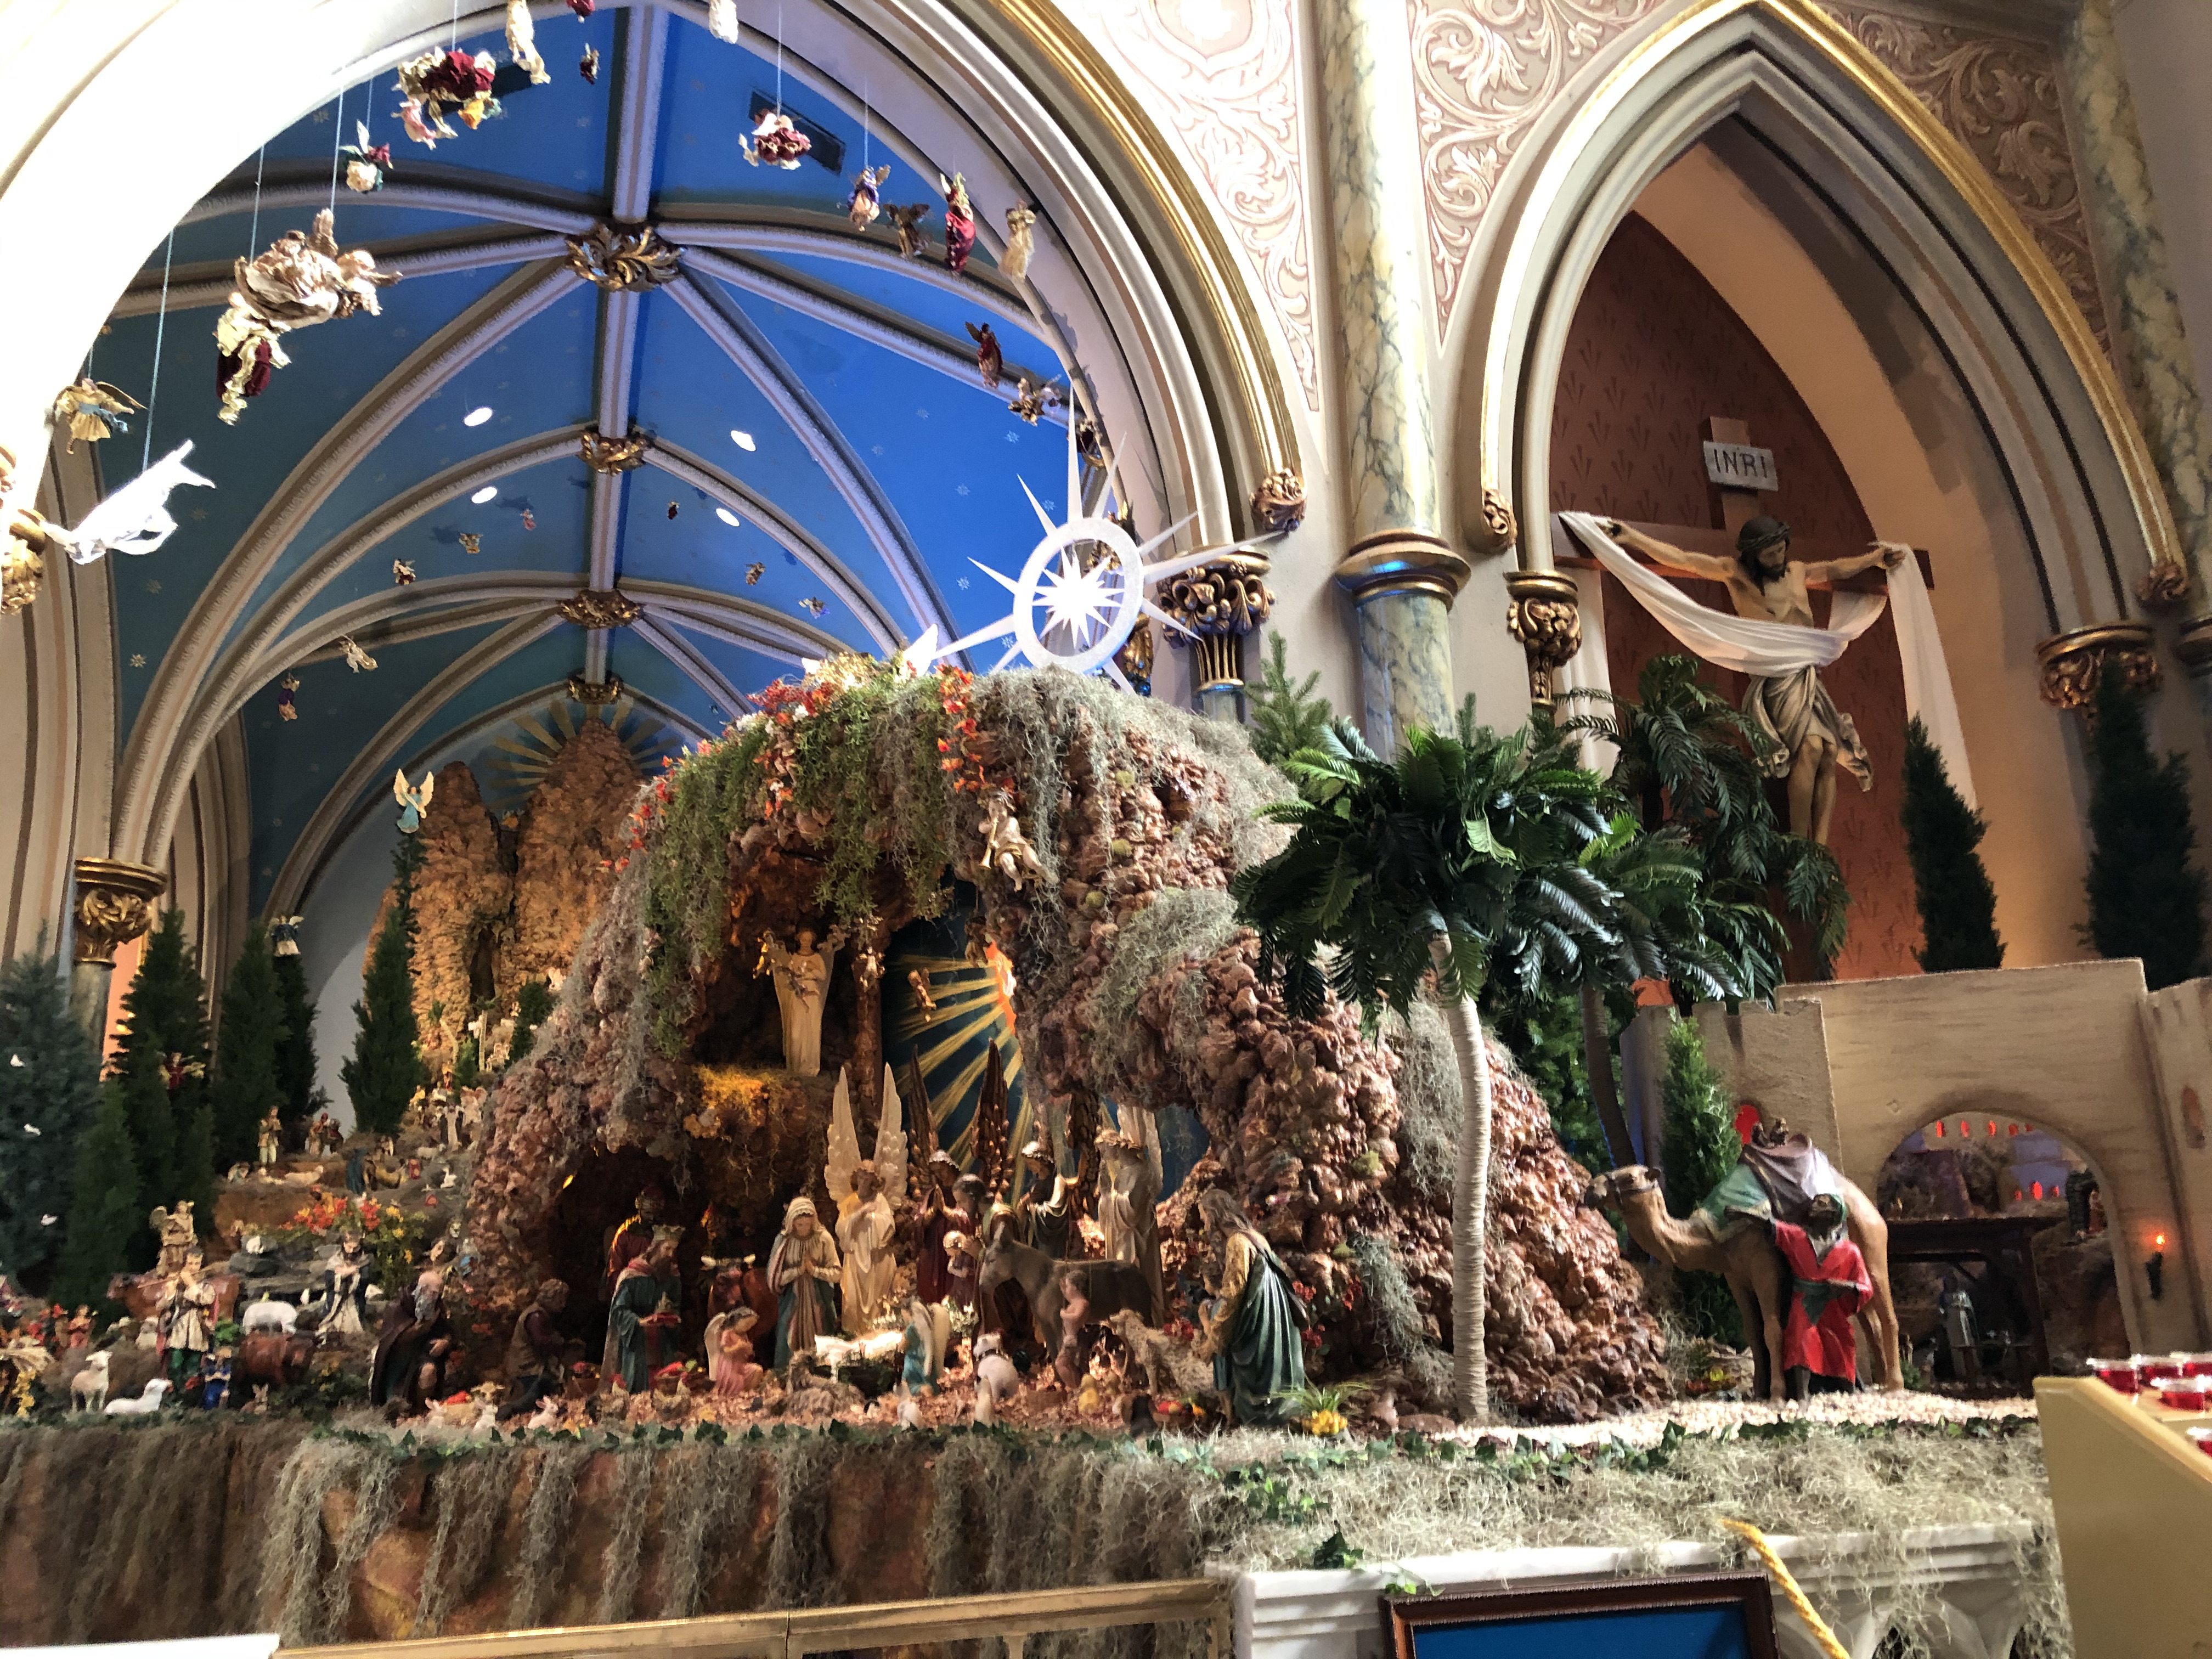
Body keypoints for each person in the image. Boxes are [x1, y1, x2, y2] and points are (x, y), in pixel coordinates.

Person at [1601, 516, 1906, 844]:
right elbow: (1684, 559)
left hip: (1808, 671)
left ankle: (1820, 847)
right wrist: (1632, 538)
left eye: (1780, 550)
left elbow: (1837, 569)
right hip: (1776, 674)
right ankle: (1798, 843)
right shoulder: (1736, 574)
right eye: (1768, 554)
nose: (1777, 558)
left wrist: (1873, 559)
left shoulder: (1798, 571)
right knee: (1811, 747)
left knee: (1830, 751)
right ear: (1752, 555)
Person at [1196, 1189, 1306, 1426]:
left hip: (1260, 1320)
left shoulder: (1237, 1242)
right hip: (1272, 1314)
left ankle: (1235, 1413)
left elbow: (1233, 1295)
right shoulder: (1255, 1237)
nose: (1204, 1224)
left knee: (1215, 1314)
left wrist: (1214, 1337)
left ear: (1214, 1215)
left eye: (1204, 1217)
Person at [1772, 1193, 1872, 1401]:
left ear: (1833, 1214)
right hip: (1805, 1303)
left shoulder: (1850, 1251)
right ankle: (1802, 1395)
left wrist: (1847, 1286)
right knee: (1801, 1338)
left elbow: (1865, 1287)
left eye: (1822, 1203)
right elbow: (1771, 1225)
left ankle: (1849, 1391)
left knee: (1842, 1344)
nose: (1814, 1205)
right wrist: (1744, 1212)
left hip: (1832, 1308)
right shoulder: (1798, 1237)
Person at [766, 1197, 842, 1369]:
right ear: (792, 1222)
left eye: (808, 1224)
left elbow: (837, 1273)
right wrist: (798, 1271)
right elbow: (774, 1278)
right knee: (790, 1336)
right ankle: (789, 1371)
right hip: (793, 1301)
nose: (804, 1228)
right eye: (800, 1225)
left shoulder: (823, 1239)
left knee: (821, 1334)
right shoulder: (784, 1241)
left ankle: (820, 1370)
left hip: (818, 1298)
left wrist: (815, 1271)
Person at [371, 1262, 455, 1417]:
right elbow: (394, 1338)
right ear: (423, 1290)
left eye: (439, 1294)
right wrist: (422, 1328)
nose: (437, 1297)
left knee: (429, 1372)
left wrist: (445, 1342)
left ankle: (422, 1410)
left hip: (423, 1354)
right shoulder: (398, 1306)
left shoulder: (436, 1306)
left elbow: (447, 1330)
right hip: (399, 1359)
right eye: (434, 1293)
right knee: (396, 1402)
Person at [603, 1231, 682, 1393]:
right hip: (638, 1341)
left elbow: (675, 1304)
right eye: (667, 1249)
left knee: (663, 1385)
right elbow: (619, 1309)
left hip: (661, 1342)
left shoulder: (670, 1276)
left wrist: (670, 1316)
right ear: (655, 1248)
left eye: (674, 1250)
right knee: (639, 1386)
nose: (671, 1255)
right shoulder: (632, 1276)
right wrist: (638, 1322)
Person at [836, 1161, 898, 1330]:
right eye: (861, 1177)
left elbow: (889, 1225)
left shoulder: (880, 1200)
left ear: (873, 1180)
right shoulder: (850, 1202)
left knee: (877, 1299)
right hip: (855, 1259)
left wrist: (872, 1218)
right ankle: (854, 1335)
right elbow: (841, 1228)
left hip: (876, 1260)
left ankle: (876, 1333)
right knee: (852, 1300)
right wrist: (860, 1213)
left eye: (867, 1178)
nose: (863, 1182)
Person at [498, 1279, 569, 1420]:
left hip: (534, 1365)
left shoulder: (541, 1314)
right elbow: (541, 1342)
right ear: (550, 1298)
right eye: (560, 1300)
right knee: (532, 1399)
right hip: (529, 1367)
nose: (563, 1305)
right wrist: (558, 1344)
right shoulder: (536, 1316)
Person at [158, 1252, 216, 1387]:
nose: (193, 1267)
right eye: (190, 1263)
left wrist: (191, 1284)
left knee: (192, 1369)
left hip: (198, 1335)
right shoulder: (177, 1283)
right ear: (184, 1264)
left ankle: (188, 1395)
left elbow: (205, 1300)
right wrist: (170, 1291)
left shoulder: (207, 1286)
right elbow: (161, 1306)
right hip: (178, 1333)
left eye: (197, 1264)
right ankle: (173, 1394)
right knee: (174, 1367)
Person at [1013, 1139, 1073, 1260]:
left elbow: (1055, 1213)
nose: (1029, 1168)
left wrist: (1032, 1207)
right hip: (1036, 1239)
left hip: (1051, 1242)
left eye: (1031, 1164)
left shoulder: (1058, 1182)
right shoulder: (1037, 1182)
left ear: (1041, 1162)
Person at [915, 1151, 960, 1304]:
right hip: (934, 1245)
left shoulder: (960, 1191)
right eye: (935, 1172)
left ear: (950, 1166)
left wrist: (945, 1210)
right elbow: (920, 1221)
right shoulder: (933, 1194)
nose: (939, 1175)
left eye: (941, 1170)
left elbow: (966, 1217)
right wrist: (934, 1209)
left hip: (955, 1246)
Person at [319, 1232, 373, 1337]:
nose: (352, 1251)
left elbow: (364, 1283)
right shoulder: (334, 1261)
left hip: (353, 1302)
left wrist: (356, 1275)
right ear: (344, 1244)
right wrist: (343, 1275)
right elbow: (329, 1283)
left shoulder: (364, 1262)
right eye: (349, 1247)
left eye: (355, 1248)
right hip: (336, 1301)